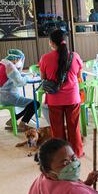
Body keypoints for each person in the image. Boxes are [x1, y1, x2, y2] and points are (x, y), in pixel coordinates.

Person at [39, 29, 84, 158]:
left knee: (57, 129)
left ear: (51, 43)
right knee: (74, 128)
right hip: (72, 98)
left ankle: (60, 155)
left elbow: (43, 77)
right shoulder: (75, 56)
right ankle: (76, 153)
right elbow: (79, 76)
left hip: (54, 99)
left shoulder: (45, 58)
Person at [0, 49, 40, 132]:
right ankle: (23, 124)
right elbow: (19, 82)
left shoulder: (4, 63)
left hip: (4, 96)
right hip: (9, 97)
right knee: (35, 104)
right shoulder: (10, 67)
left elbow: (15, 75)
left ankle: (12, 121)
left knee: (28, 105)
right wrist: (30, 78)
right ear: (16, 59)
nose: (21, 62)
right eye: (21, 60)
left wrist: (27, 74)